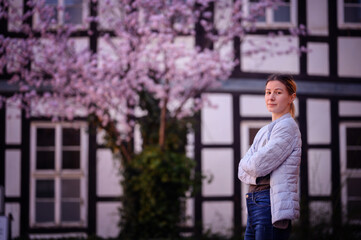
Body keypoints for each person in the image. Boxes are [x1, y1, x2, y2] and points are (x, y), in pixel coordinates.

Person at [238, 74, 302, 240]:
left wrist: (251, 166)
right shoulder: (263, 131)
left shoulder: (288, 127)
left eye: (278, 92)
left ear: (291, 97)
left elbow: (256, 166)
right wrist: (251, 167)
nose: (271, 97)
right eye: (268, 92)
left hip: (270, 203)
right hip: (253, 202)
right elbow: (241, 170)